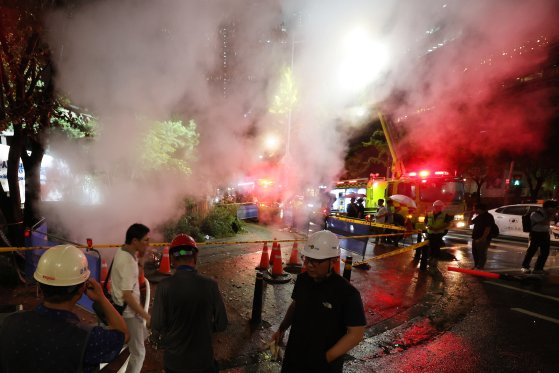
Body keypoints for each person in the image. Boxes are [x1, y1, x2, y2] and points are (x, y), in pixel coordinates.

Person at [0, 245, 128, 373]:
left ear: (39, 284)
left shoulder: (9, 323)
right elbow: (124, 335)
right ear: (81, 289)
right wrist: (101, 298)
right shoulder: (88, 339)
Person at [271, 230, 366, 373]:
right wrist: (282, 329)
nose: (309, 265)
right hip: (295, 355)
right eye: (307, 259)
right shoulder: (303, 280)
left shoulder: (347, 293)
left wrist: (325, 358)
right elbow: (296, 305)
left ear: (333, 260)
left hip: (323, 365)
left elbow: (356, 334)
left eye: (316, 261)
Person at [151, 234, 228, 373]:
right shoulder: (210, 285)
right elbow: (222, 323)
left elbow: (156, 324)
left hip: (174, 363)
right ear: (195, 257)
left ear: (172, 259)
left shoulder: (164, 286)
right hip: (203, 362)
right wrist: (204, 328)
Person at [111, 223, 151, 373]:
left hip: (122, 308)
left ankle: (129, 340)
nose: (149, 243)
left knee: (139, 338)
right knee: (139, 353)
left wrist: (140, 259)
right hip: (129, 313)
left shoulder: (122, 250)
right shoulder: (128, 262)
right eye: (146, 240)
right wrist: (146, 315)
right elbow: (127, 295)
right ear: (135, 241)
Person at [521, 200, 559, 274]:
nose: (555, 209)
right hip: (536, 234)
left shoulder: (551, 214)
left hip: (545, 234)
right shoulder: (536, 213)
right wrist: (550, 215)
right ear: (548, 207)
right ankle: (525, 266)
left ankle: (538, 268)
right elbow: (543, 221)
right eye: (554, 208)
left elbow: (553, 223)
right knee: (531, 251)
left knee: (545, 252)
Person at [423, 200, 452, 271]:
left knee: (436, 246)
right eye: (436, 206)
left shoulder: (445, 215)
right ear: (434, 207)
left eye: (439, 207)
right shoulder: (429, 214)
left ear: (441, 207)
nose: (437, 208)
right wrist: (428, 227)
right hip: (430, 233)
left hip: (438, 233)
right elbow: (425, 222)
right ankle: (431, 258)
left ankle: (435, 259)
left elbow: (447, 224)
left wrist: (438, 228)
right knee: (431, 246)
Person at [470, 203, 495, 269]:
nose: (473, 210)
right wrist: (470, 215)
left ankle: (480, 267)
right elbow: (470, 223)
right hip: (475, 237)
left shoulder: (488, 216)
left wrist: (482, 238)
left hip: (483, 239)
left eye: (474, 209)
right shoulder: (479, 216)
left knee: (481, 253)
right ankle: (476, 266)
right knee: (475, 253)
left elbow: (488, 228)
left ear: (479, 209)